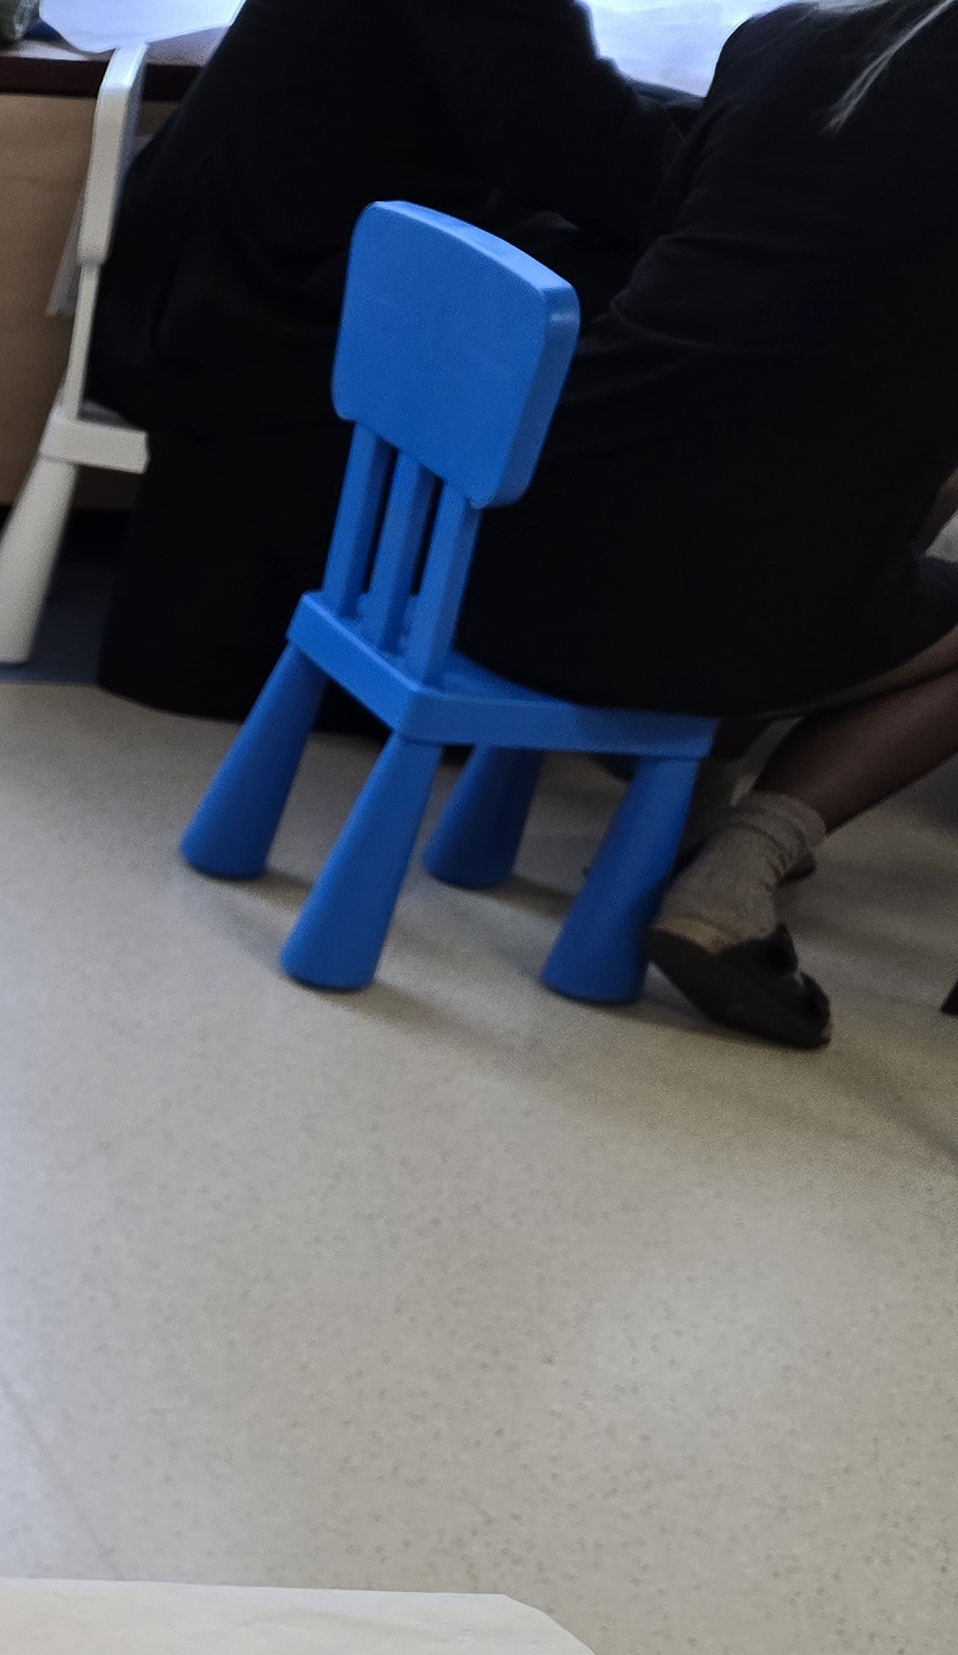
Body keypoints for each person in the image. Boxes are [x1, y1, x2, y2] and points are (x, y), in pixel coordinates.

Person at [461, 0, 958, 1049]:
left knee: (824, 470)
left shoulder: (776, 37)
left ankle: (685, 807)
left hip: (501, 543)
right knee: (826, 494)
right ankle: (734, 876)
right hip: (674, 610)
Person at [86, 0, 680, 719]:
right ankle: (595, 652)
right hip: (258, 288)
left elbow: (551, 102)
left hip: (224, 255)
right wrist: (726, 171)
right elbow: (563, 139)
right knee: (648, 294)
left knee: (607, 272)